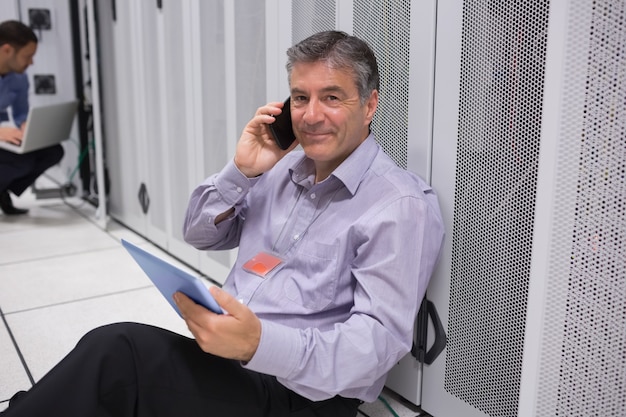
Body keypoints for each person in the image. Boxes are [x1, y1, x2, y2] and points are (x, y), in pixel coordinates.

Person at [1, 30, 444, 416]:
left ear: (369, 105)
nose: (310, 115)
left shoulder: (398, 204)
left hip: (300, 395)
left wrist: (258, 344)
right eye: (300, 97)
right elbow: (199, 234)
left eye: (331, 97)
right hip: (228, 363)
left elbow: (377, 345)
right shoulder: (279, 170)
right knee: (96, 387)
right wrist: (243, 170)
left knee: (117, 354)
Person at [0, 20, 64, 215]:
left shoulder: (19, 77)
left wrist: (27, 127)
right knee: (21, 162)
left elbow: (20, 113)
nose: (31, 62)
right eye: (27, 56)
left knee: (52, 151)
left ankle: (3, 190)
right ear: (7, 50)